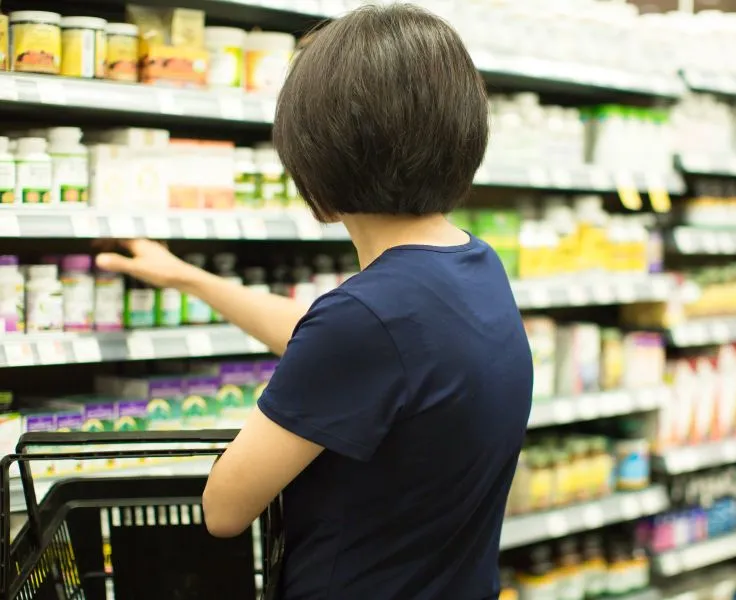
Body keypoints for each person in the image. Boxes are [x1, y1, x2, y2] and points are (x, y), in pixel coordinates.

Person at [95, 4, 533, 600]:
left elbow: (223, 507)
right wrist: (185, 277)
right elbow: (349, 342)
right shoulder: (475, 268)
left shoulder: (365, 319)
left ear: (319, 157)